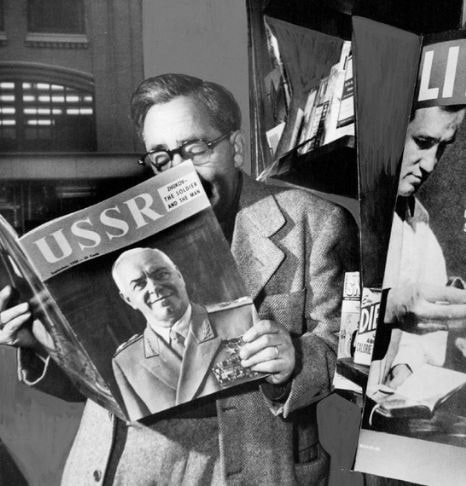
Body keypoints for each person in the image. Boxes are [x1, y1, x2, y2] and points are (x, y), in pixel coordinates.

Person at [0, 73, 359, 485]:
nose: (180, 172)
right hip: (116, 468)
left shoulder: (315, 222)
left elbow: (348, 352)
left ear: (236, 148)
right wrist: (40, 342)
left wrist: (294, 357)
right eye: (161, 157)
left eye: (195, 149)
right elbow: (102, 384)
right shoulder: (118, 232)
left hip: (239, 469)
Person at [369, 104, 466, 391]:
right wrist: (386, 308)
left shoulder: (419, 228)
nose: (430, 164)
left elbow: (421, 339)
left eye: (442, 147)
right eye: (422, 142)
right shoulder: (339, 208)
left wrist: (406, 364)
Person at [111, 247, 248, 421]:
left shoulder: (242, 317)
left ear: (179, 276)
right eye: (139, 284)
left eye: (161, 274)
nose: (154, 287)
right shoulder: (127, 362)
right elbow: (149, 433)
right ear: (128, 299)